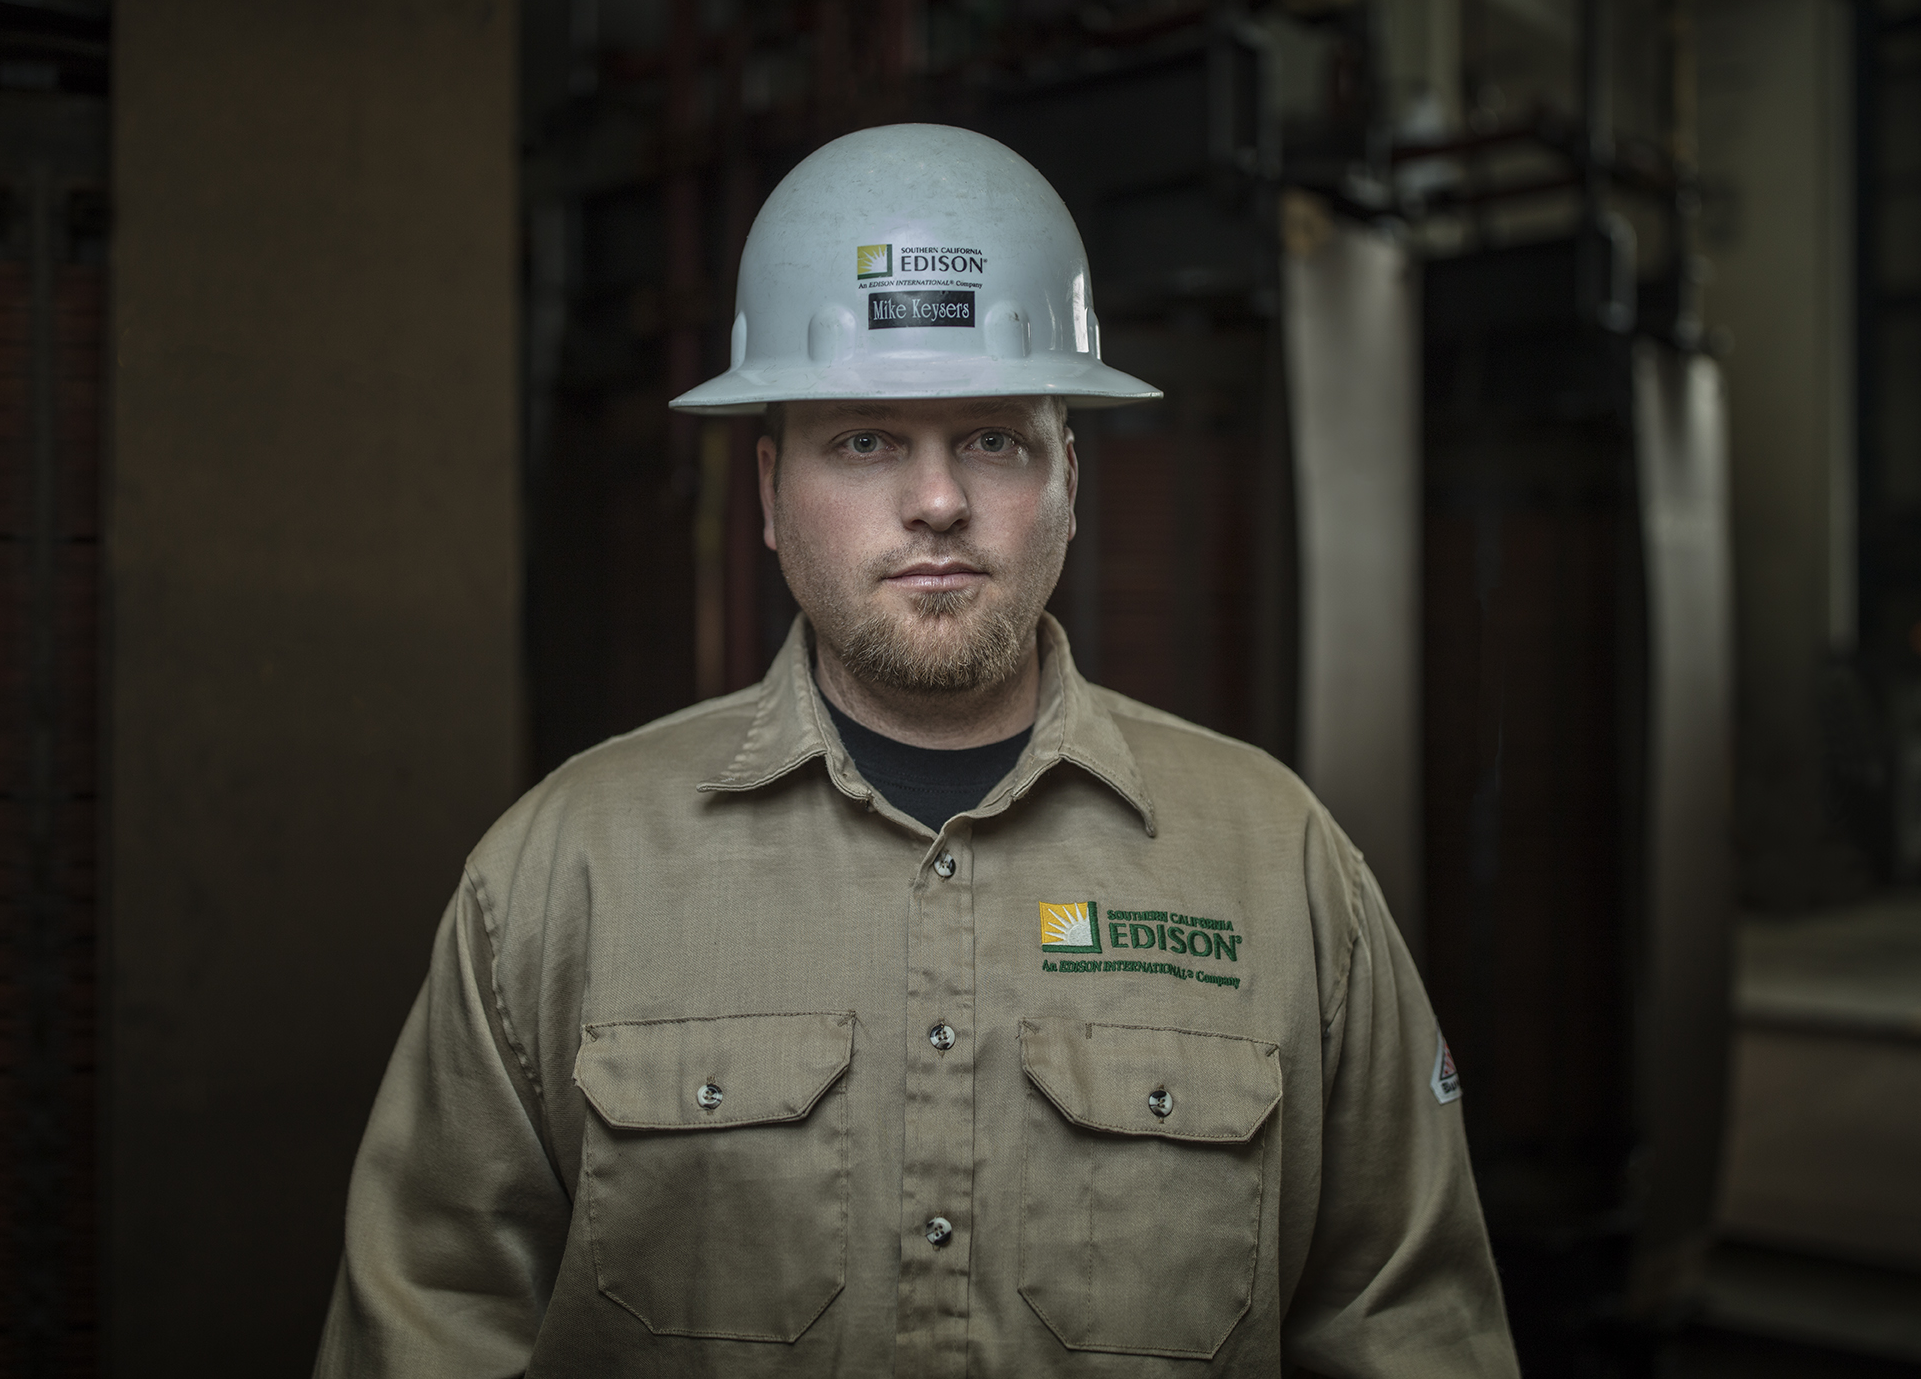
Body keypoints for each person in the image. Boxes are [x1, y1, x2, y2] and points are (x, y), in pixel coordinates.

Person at [313, 123, 1517, 1378]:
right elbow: (429, 1324)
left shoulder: (1282, 869)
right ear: (771, 496)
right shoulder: (564, 875)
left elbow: (1411, 1330)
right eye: (867, 440)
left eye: (994, 439)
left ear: (1069, 482)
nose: (937, 500)